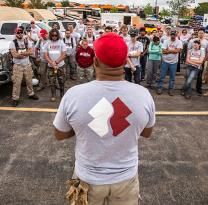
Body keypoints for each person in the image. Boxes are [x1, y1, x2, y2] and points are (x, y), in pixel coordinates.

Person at [53, 32, 155, 205]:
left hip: (87, 180)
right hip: (126, 179)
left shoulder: (74, 95)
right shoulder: (143, 95)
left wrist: (82, 126)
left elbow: (59, 134)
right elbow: (147, 132)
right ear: (124, 62)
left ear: (95, 61)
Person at [9, 29, 39, 106]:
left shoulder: (26, 41)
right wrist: (26, 53)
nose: (20, 34)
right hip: (18, 66)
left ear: (23, 33)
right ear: (15, 34)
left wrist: (21, 53)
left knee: (29, 81)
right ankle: (15, 98)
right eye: (18, 33)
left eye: (21, 32)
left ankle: (31, 94)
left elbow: (31, 52)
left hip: (27, 65)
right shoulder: (13, 43)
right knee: (17, 83)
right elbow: (15, 55)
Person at [157, 30, 182, 96]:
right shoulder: (166, 41)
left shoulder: (179, 42)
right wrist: (173, 50)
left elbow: (178, 51)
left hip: (174, 62)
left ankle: (171, 89)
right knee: (162, 76)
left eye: (174, 35)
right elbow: (163, 50)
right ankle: (159, 87)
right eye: (172, 35)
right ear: (170, 35)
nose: (173, 36)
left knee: (172, 77)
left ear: (176, 35)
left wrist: (168, 50)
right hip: (165, 61)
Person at [45, 29, 67, 102]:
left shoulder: (61, 43)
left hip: (60, 66)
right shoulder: (47, 43)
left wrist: (56, 62)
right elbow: (46, 55)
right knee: (52, 82)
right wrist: (52, 63)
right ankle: (53, 95)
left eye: (56, 35)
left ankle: (62, 94)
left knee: (61, 81)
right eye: (53, 35)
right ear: (50, 35)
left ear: (58, 35)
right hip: (51, 67)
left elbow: (64, 54)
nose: (54, 37)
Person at [194, 29, 208, 95]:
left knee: (199, 75)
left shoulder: (207, 42)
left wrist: (204, 60)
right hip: (193, 60)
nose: (200, 34)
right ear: (197, 33)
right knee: (190, 75)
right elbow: (189, 49)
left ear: (204, 34)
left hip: (201, 61)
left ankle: (199, 88)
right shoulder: (193, 40)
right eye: (199, 33)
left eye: (202, 33)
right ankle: (187, 88)